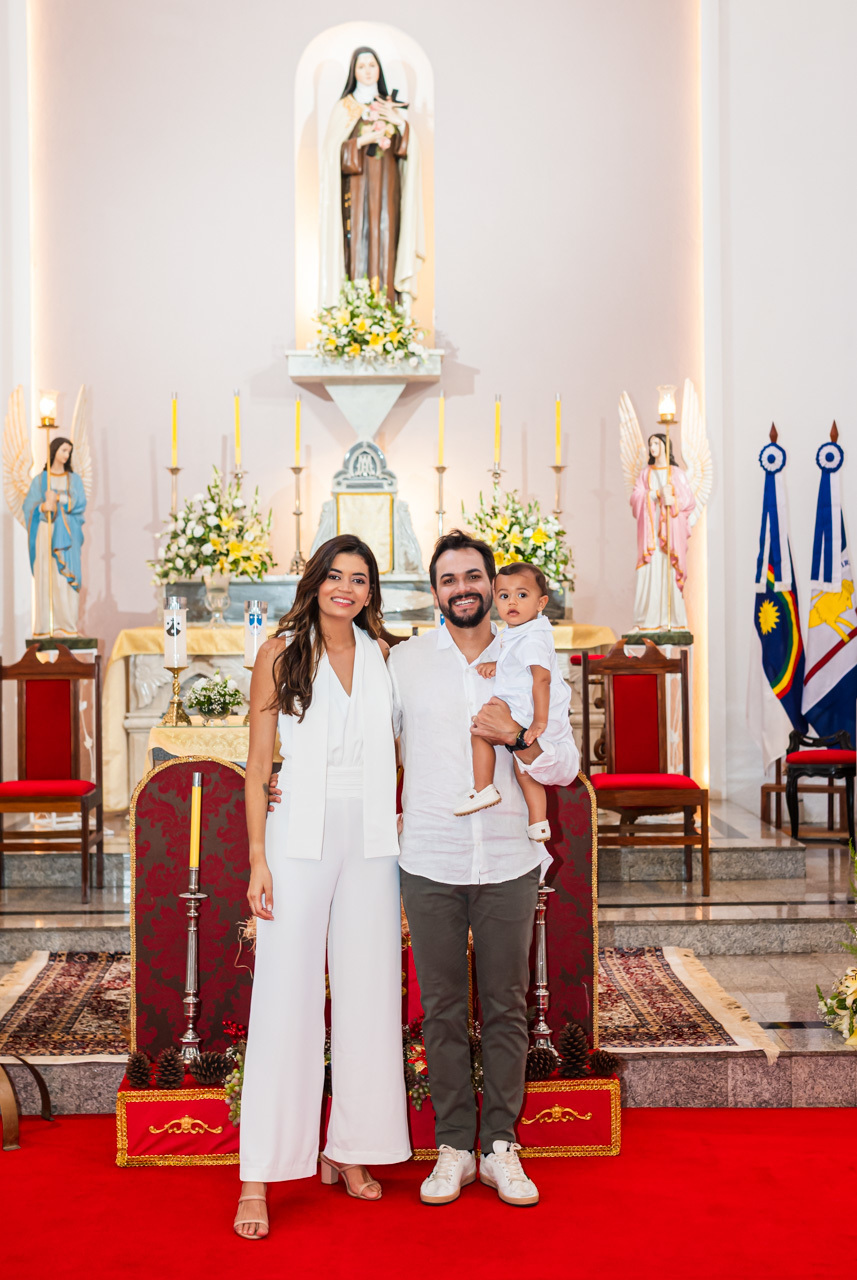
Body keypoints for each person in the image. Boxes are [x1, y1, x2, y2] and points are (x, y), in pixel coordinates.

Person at [391, 530, 579, 1207]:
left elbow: (563, 765)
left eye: (475, 576)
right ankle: (452, 1146)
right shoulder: (404, 663)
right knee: (440, 1009)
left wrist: (519, 737)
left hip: (506, 857)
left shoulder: (528, 652)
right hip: (430, 857)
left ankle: (500, 1146)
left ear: (493, 585)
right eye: (449, 579)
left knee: (503, 1007)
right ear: (434, 590)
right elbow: (364, 749)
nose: (463, 588)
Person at [235, 534, 410, 1240]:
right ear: (315, 582)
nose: (346, 588)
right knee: (285, 998)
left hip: (372, 842)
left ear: (372, 592)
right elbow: (256, 764)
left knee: (371, 993)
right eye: (335, 576)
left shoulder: (386, 657)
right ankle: (258, 1175)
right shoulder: (281, 652)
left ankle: (352, 1149)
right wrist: (256, 858)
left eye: (359, 579)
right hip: (296, 839)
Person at [454, 561, 572, 846]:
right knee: (524, 770)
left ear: (541, 602)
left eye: (522, 595)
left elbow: (541, 679)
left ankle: (483, 788)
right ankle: (538, 822)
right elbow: (519, 663)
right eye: (504, 596)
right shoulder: (524, 633)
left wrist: (539, 722)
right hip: (525, 712)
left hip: (528, 713)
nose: (512, 602)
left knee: (480, 732)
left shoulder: (531, 638)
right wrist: (498, 664)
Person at [319, 45, 424, 308]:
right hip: (355, 189)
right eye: (362, 66)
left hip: (388, 185)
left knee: (387, 237)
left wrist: (399, 123)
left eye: (372, 65)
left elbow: (406, 150)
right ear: (354, 72)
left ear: (379, 70)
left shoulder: (391, 105)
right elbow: (332, 153)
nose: (367, 71)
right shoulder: (344, 107)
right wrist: (361, 140)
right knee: (357, 242)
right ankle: (356, 310)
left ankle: (386, 308)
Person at [21, 436, 86, 636]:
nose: (66, 455)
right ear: (54, 450)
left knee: (63, 580)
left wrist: (58, 498)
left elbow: (80, 503)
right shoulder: (40, 480)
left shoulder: (73, 479)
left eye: (69, 452)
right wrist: (42, 506)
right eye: (63, 450)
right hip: (45, 534)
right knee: (47, 576)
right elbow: (28, 508)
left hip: (67, 536)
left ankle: (67, 625)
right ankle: (45, 626)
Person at [630, 432, 695, 631]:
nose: (652, 448)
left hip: (670, 534)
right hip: (651, 535)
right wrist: (654, 495)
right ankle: (646, 620)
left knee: (668, 571)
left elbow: (689, 502)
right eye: (650, 444)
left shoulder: (676, 474)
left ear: (666, 446)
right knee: (649, 571)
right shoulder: (645, 474)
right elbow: (635, 498)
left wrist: (673, 501)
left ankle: (673, 620)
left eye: (656, 443)